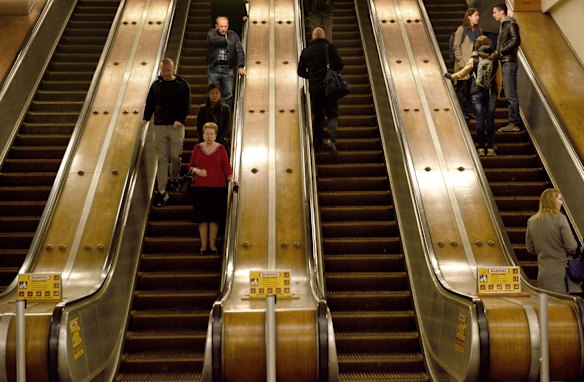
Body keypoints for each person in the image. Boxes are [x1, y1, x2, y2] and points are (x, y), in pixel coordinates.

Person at [142, 57, 191, 207]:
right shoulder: (156, 85)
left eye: (168, 70)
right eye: (163, 70)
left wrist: (180, 119)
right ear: (161, 70)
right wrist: (145, 118)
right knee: (162, 158)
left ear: (173, 69)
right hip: (160, 125)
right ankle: (162, 189)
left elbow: (186, 104)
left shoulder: (182, 84)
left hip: (176, 125)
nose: (166, 73)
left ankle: (174, 178)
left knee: (175, 156)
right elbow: (150, 102)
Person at [188, 122, 238, 255]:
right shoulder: (197, 148)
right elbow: (190, 166)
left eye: (211, 134)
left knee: (214, 218)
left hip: (217, 187)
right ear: (203, 135)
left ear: (215, 135)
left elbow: (227, 167)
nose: (209, 136)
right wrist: (198, 171)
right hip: (201, 187)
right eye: (207, 134)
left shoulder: (221, 149)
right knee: (202, 218)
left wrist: (231, 180)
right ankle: (203, 246)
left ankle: (213, 245)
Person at [446, 36, 498, 156]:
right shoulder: (495, 60)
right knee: (490, 120)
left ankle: (480, 148)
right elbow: (499, 79)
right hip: (491, 93)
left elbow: (462, 73)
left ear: (477, 46)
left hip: (476, 92)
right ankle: (490, 148)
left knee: (480, 119)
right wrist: (497, 94)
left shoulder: (474, 60)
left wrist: (451, 76)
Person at [526, 189, 582, 294]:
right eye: (560, 199)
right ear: (552, 200)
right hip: (562, 275)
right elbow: (572, 247)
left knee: (547, 308)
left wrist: (545, 250)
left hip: (543, 275)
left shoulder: (531, 221)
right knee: (565, 308)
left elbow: (530, 248)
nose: (562, 203)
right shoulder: (560, 219)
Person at [297, 27, 344, 153]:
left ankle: (317, 143)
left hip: (315, 89)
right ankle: (331, 140)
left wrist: (311, 76)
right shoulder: (330, 48)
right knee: (332, 114)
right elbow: (340, 65)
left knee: (318, 116)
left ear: (313, 37)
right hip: (330, 88)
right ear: (324, 36)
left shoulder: (306, 51)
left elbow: (300, 72)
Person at [493, 3, 521, 132]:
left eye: (495, 12)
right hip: (505, 61)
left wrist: (501, 51)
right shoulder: (504, 25)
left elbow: (516, 40)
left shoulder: (511, 24)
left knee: (511, 94)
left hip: (509, 61)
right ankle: (513, 121)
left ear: (501, 12)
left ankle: (514, 123)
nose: (493, 15)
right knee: (510, 93)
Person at [207, 16, 246, 109]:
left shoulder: (233, 35)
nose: (223, 29)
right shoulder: (211, 33)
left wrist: (241, 66)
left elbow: (239, 51)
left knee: (228, 94)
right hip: (214, 68)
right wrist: (229, 42)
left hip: (228, 68)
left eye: (225, 26)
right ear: (216, 26)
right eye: (221, 27)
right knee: (212, 93)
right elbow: (215, 41)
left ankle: (226, 115)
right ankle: (213, 116)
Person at [453, 7, 482, 120]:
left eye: (478, 15)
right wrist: (461, 61)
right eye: (476, 15)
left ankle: (469, 111)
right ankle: (462, 111)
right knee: (460, 88)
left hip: (473, 64)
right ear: (469, 16)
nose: (478, 17)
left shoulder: (479, 31)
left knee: (471, 89)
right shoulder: (462, 29)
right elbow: (456, 46)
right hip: (462, 64)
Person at [196, 83, 232, 152]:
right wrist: (206, 138)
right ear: (208, 94)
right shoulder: (202, 109)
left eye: (217, 93)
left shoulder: (225, 108)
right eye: (212, 93)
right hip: (205, 141)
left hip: (220, 141)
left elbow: (227, 127)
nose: (214, 95)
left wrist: (217, 139)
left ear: (220, 94)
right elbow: (199, 126)